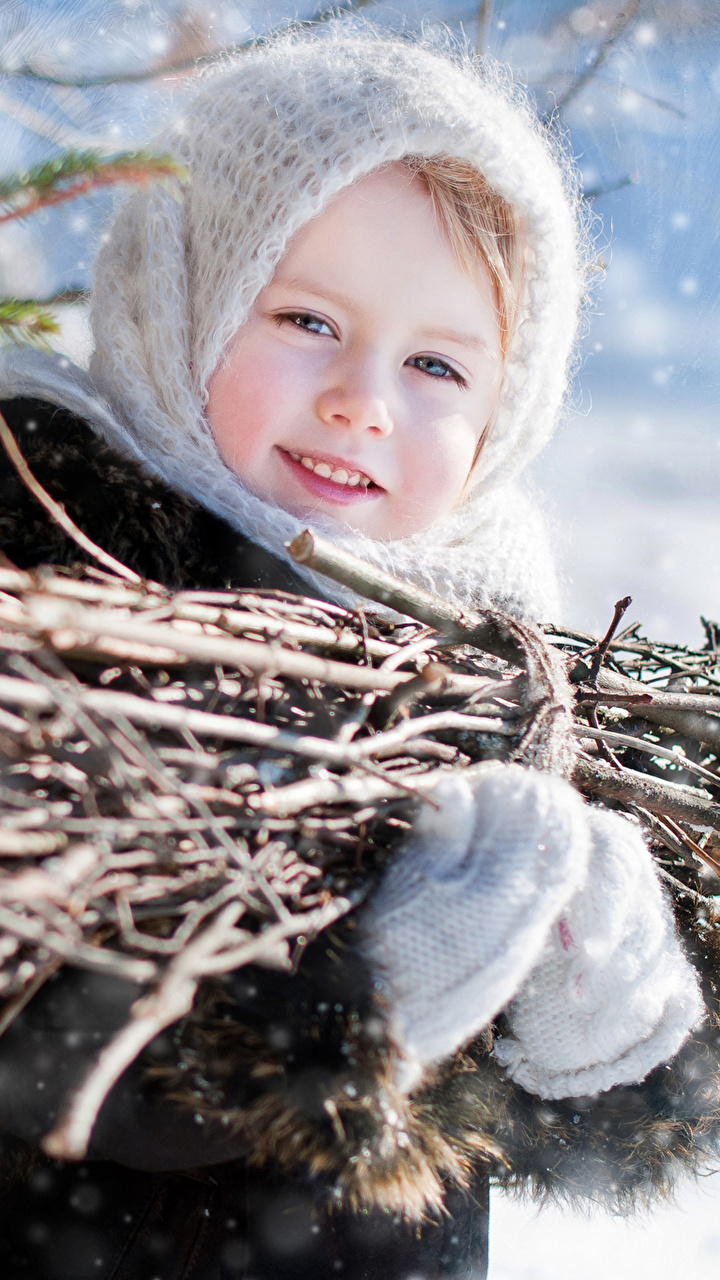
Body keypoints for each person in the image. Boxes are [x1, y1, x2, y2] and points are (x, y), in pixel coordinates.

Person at [0, 23, 718, 1280]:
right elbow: (45, 1057)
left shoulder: (502, 648)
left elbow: (499, 1143)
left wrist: (600, 1028)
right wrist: (353, 1010)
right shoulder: (62, 576)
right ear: (184, 288)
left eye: (438, 361)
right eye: (308, 318)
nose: (364, 398)